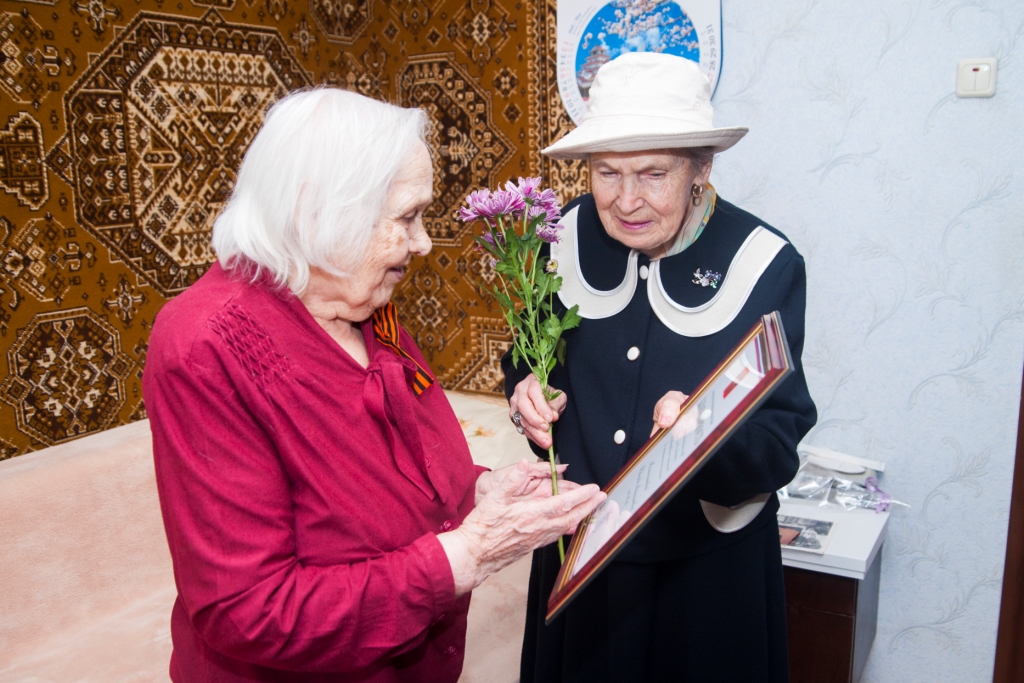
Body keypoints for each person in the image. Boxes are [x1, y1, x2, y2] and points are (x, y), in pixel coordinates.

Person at [143, 87, 605, 683]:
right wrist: (466, 555)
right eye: (407, 217)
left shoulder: (360, 303)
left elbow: (389, 474)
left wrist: (479, 492)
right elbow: (248, 611)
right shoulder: (206, 344)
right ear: (322, 213)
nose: (424, 242)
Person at [504, 52, 817, 682]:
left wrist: (706, 436)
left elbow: (777, 443)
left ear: (701, 167)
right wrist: (525, 393)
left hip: (702, 581)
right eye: (607, 173)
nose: (626, 201)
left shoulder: (765, 263)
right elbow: (525, 356)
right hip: (580, 557)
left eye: (653, 174)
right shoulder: (556, 237)